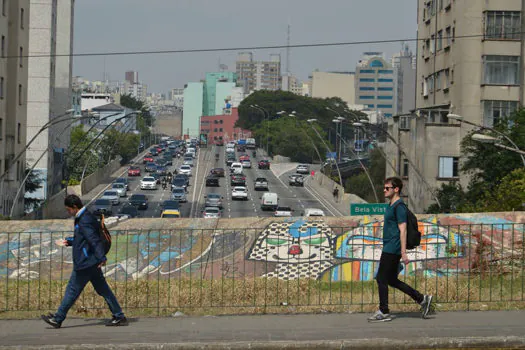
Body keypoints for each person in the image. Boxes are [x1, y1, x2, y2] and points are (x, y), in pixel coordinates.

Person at [41, 195, 128, 328]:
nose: (68, 212)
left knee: (72, 290)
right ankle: (119, 316)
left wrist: (102, 258)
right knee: (103, 289)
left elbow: (94, 240)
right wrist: (69, 241)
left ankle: (58, 318)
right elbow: (83, 238)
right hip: (91, 261)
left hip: (85, 262)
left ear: (75, 207)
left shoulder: (84, 220)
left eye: (68, 209)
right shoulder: (84, 217)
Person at [368, 177, 433, 322]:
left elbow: (402, 230)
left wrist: (403, 253)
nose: (384, 190)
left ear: (396, 189)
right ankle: (422, 299)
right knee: (391, 280)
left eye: (387, 188)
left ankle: (384, 311)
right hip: (389, 246)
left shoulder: (399, 207)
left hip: (393, 247)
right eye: (384, 188)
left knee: (381, 278)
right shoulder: (391, 205)